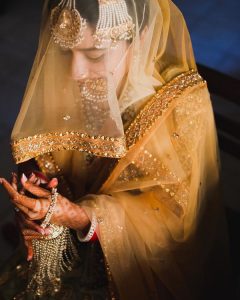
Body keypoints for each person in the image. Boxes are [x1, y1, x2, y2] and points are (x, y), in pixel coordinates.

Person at [0, 0, 232, 299]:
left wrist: (82, 216)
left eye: (94, 54)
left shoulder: (183, 108)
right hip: (63, 248)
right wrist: (38, 198)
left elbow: (178, 228)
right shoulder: (67, 80)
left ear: (143, 37)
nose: (76, 72)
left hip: (139, 271)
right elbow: (44, 157)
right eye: (65, 51)